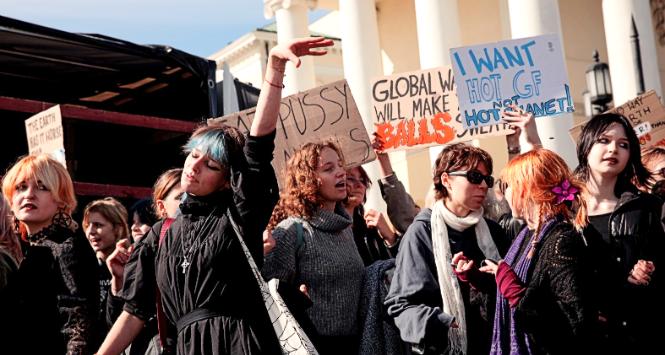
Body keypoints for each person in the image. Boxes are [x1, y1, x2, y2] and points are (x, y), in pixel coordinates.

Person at [98, 36, 333, 355]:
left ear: (226, 181)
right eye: (193, 155)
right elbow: (135, 312)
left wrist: (274, 70)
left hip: (238, 343)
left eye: (210, 164)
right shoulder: (159, 234)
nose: (195, 166)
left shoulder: (236, 217)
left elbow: (258, 148)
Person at [385, 143, 509, 355]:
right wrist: (441, 321)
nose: (483, 186)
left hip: (495, 345)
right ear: (446, 180)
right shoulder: (422, 232)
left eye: (487, 180)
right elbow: (400, 306)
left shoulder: (493, 231)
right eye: (474, 177)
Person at [479, 148, 597, 354]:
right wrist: (479, 282)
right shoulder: (526, 235)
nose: (504, 193)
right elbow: (505, 307)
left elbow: (575, 321)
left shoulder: (561, 240)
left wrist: (518, 295)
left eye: (507, 185)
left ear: (525, 189)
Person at [263, 140, 365, 355]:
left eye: (340, 165)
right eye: (329, 169)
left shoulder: (345, 229)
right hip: (312, 346)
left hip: (354, 344)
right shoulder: (291, 231)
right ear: (306, 180)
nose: (341, 173)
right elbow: (273, 300)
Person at [574, 113, 664, 353]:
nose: (613, 149)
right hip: (583, 337)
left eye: (623, 145)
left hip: (634, 334)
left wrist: (647, 268)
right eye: (604, 140)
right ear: (586, 146)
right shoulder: (564, 208)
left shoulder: (644, 206)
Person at [1, 154, 98, 354]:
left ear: (61, 200)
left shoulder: (65, 247)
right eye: (21, 187)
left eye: (42, 187)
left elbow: (78, 325)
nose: (29, 194)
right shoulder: (35, 248)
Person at [100, 168, 184, 355]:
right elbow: (127, 316)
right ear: (161, 208)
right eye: (181, 197)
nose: (135, 228)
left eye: (141, 222)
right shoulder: (148, 250)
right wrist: (119, 282)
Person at [82, 197, 130, 350]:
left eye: (98, 225)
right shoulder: (81, 267)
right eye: (87, 225)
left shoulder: (132, 267)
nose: (91, 231)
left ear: (118, 228)